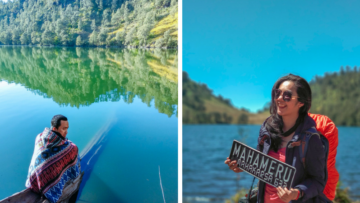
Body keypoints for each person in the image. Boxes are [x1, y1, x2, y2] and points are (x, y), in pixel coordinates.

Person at [225, 74, 329, 203]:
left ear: (301, 102)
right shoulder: (267, 130)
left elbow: (318, 181)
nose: (279, 99)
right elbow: (262, 167)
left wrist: (296, 193)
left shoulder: (310, 138)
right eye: (277, 93)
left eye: (287, 95)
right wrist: (243, 166)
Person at [26, 115, 81, 203]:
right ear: (55, 129)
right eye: (64, 129)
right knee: (74, 151)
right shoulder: (68, 149)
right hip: (47, 183)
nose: (66, 132)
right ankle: (52, 189)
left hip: (34, 180)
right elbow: (72, 147)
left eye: (67, 128)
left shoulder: (39, 137)